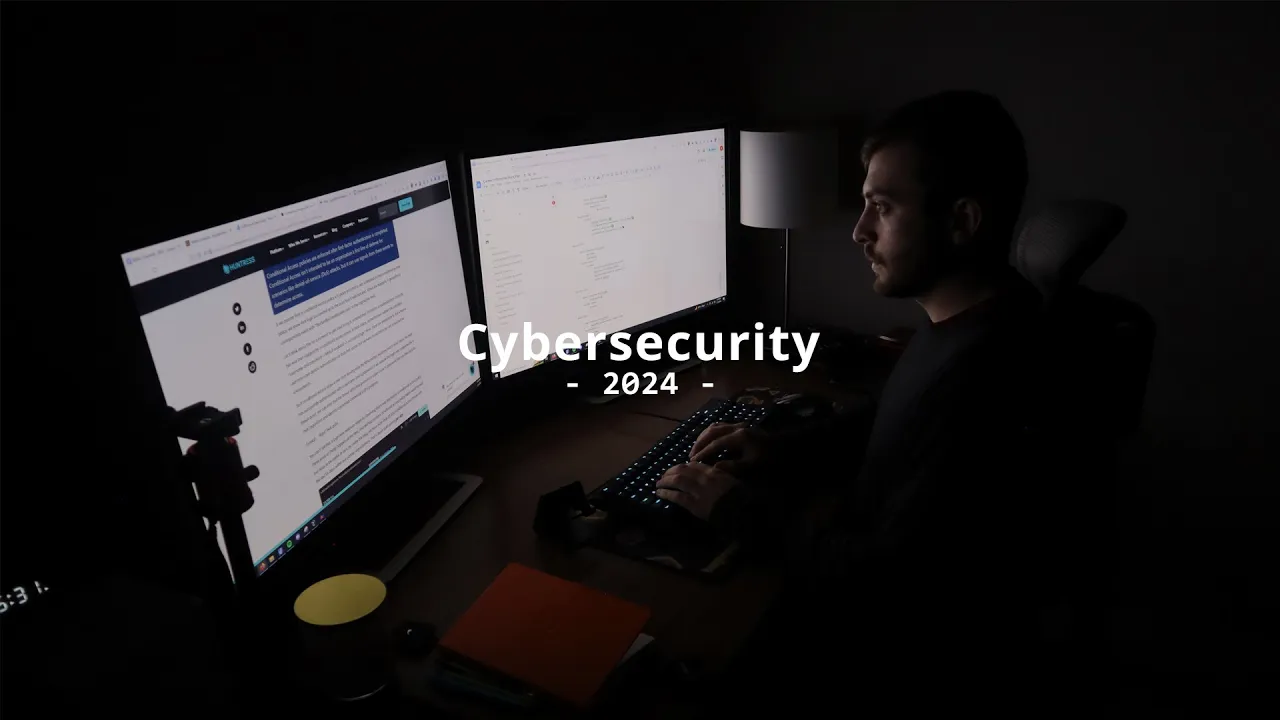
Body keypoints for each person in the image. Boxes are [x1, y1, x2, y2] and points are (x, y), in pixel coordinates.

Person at [656, 92, 1069, 712]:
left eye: (883, 207)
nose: (859, 231)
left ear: (962, 221)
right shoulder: (981, 317)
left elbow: (883, 582)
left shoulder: (982, 377)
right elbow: (895, 422)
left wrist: (736, 509)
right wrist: (777, 448)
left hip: (896, 656)